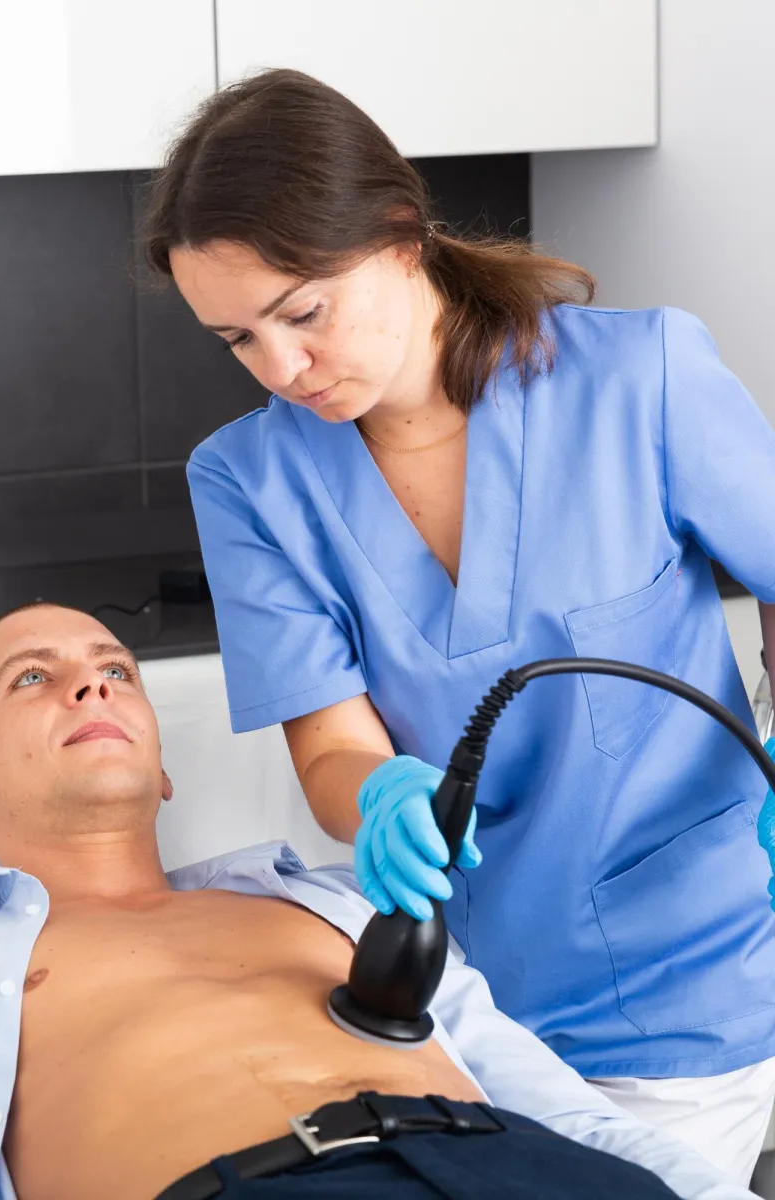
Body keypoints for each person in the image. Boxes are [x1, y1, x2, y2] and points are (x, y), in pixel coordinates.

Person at [140, 67, 775, 1182]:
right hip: (466, 1020)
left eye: (303, 313)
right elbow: (333, 744)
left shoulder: (642, 376)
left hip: (701, 990)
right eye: (236, 340)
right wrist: (378, 794)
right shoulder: (246, 481)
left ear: (399, 235)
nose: (283, 369)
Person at [0, 602, 757, 1199]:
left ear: (163, 771)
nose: (91, 688)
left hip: (523, 1172)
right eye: (33, 679)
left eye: (115, 670)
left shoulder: (333, 902)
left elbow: (564, 1113)